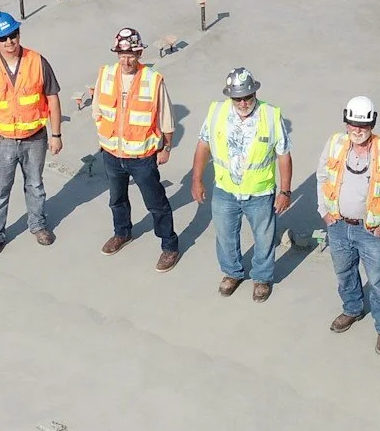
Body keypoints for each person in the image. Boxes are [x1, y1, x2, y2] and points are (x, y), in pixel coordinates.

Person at [188, 68, 292, 300]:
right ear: (230, 97)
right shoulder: (216, 112)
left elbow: (284, 155)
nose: (243, 102)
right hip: (225, 190)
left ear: (255, 92)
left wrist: (285, 191)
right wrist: (197, 179)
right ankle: (232, 273)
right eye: (238, 98)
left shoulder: (271, 115)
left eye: (248, 96)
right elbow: (203, 146)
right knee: (225, 235)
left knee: (264, 239)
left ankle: (262, 278)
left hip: (260, 193)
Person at [319, 96, 380, 353]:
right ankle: (352, 309)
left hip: (370, 230)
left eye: (363, 126)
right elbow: (322, 175)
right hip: (337, 225)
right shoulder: (335, 144)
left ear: (372, 125)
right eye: (353, 124)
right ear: (346, 122)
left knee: (378, 281)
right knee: (344, 273)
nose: (357, 130)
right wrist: (324, 210)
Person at [0, 10, 60, 256]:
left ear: (19, 34)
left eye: (13, 35)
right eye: (3, 38)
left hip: (35, 138)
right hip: (1, 142)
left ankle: (38, 225)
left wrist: (56, 134)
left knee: (35, 185)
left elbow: (52, 98)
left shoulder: (37, 61)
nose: (9, 42)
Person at [94, 28, 179, 270]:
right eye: (122, 54)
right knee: (116, 199)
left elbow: (166, 118)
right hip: (111, 153)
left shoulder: (152, 80)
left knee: (156, 203)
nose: (126, 60)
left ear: (139, 53)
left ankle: (169, 246)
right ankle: (122, 233)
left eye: (131, 55)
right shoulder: (106, 74)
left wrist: (167, 148)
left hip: (142, 157)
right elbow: (98, 109)